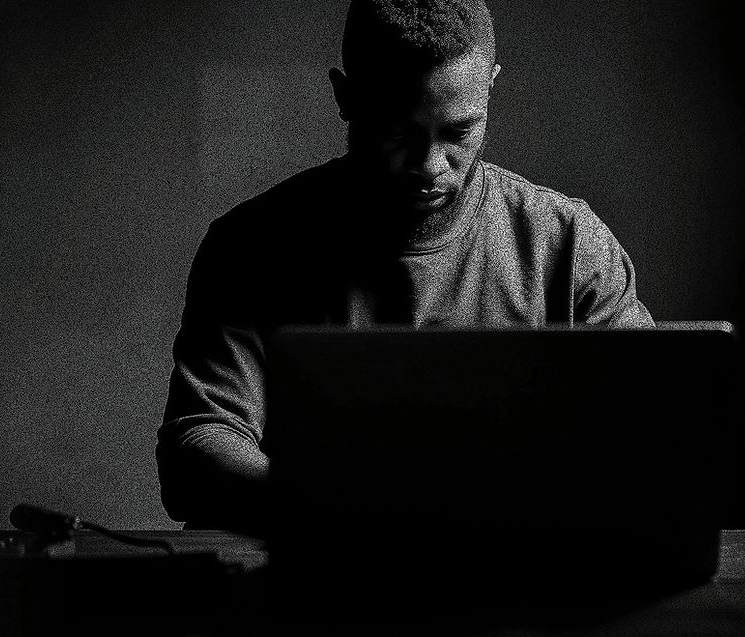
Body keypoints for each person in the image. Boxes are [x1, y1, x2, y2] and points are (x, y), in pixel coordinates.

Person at [158, 0, 654, 532]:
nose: (429, 166)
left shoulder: (571, 246)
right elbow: (199, 446)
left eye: (459, 133)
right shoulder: (251, 248)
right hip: (318, 586)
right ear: (347, 99)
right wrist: (338, 511)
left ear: (490, 85)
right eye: (396, 132)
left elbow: (652, 426)